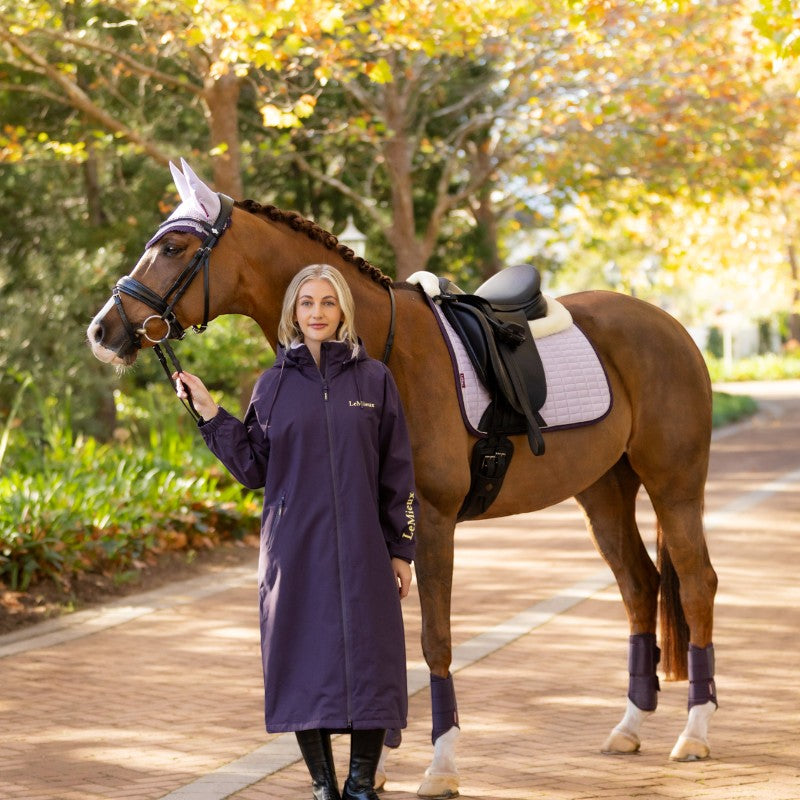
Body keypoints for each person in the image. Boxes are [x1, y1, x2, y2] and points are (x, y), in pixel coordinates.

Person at [174, 263, 417, 800]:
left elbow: (397, 470)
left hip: (363, 549)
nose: (317, 313)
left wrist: (402, 548)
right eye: (307, 303)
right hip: (293, 551)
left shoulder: (374, 379)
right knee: (301, 658)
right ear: (293, 313)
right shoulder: (273, 385)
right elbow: (254, 467)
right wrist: (212, 413)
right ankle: (323, 787)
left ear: (343, 312)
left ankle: (359, 786)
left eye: (327, 303)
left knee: (373, 658)